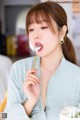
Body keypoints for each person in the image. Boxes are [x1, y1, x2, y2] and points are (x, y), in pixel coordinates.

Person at [5, 1, 80, 120]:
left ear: (62, 32)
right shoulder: (18, 69)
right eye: (31, 29)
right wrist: (30, 102)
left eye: (43, 27)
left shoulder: (77, 77)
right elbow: (5, 116)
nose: (35, 35)